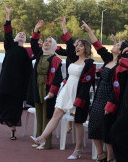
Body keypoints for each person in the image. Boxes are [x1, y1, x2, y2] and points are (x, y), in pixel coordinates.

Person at [31, 17, 96, 160]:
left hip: (78, 94)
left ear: (86, 48)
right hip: (66, 91)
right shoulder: (72, 58)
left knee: (77, 123)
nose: (77, 47)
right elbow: (69, 43)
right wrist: (63, 26)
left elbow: (87, 83)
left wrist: (80, 99)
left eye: (80, 45)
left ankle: (78, 150)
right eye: (76, 45)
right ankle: (41, 138)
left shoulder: (89, 63)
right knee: (56, 114)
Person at [83, 26, 127, 162]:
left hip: (111, 98)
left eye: (118, 45)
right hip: (99, 95)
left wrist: (112, 104)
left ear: (121, 50)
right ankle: (100, 154)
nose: (114, 45)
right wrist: (89, 30)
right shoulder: (108, 59)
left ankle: (110, 156)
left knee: (107, 127)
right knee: (94, 124)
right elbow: (98, 46)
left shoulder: (122, 65)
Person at [0, 5, 33, 140]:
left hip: (18, 85)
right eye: (19, 33)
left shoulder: (27, 52)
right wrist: (8, 16)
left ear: (25, 40)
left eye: (24, 35)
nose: (22, 34)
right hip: (6, 82)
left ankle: (13, 130)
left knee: (15, 107)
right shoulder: (10, 46)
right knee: (0, 104)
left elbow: (31, 65)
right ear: (16, 37)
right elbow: (7, 32)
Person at [27, 19, 64, 150]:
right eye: (46, 41)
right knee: (39, 113)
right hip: (37, 87)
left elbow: (58, 78)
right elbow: (33, 44)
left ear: (54, 45)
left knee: (47, 115)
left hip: (48, 90)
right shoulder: (40, 55)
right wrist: (36, 29)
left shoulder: (55, 59)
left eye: (50, 42)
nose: (47, 43)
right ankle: (38, 140)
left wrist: (52, 91)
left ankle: (46, 143)